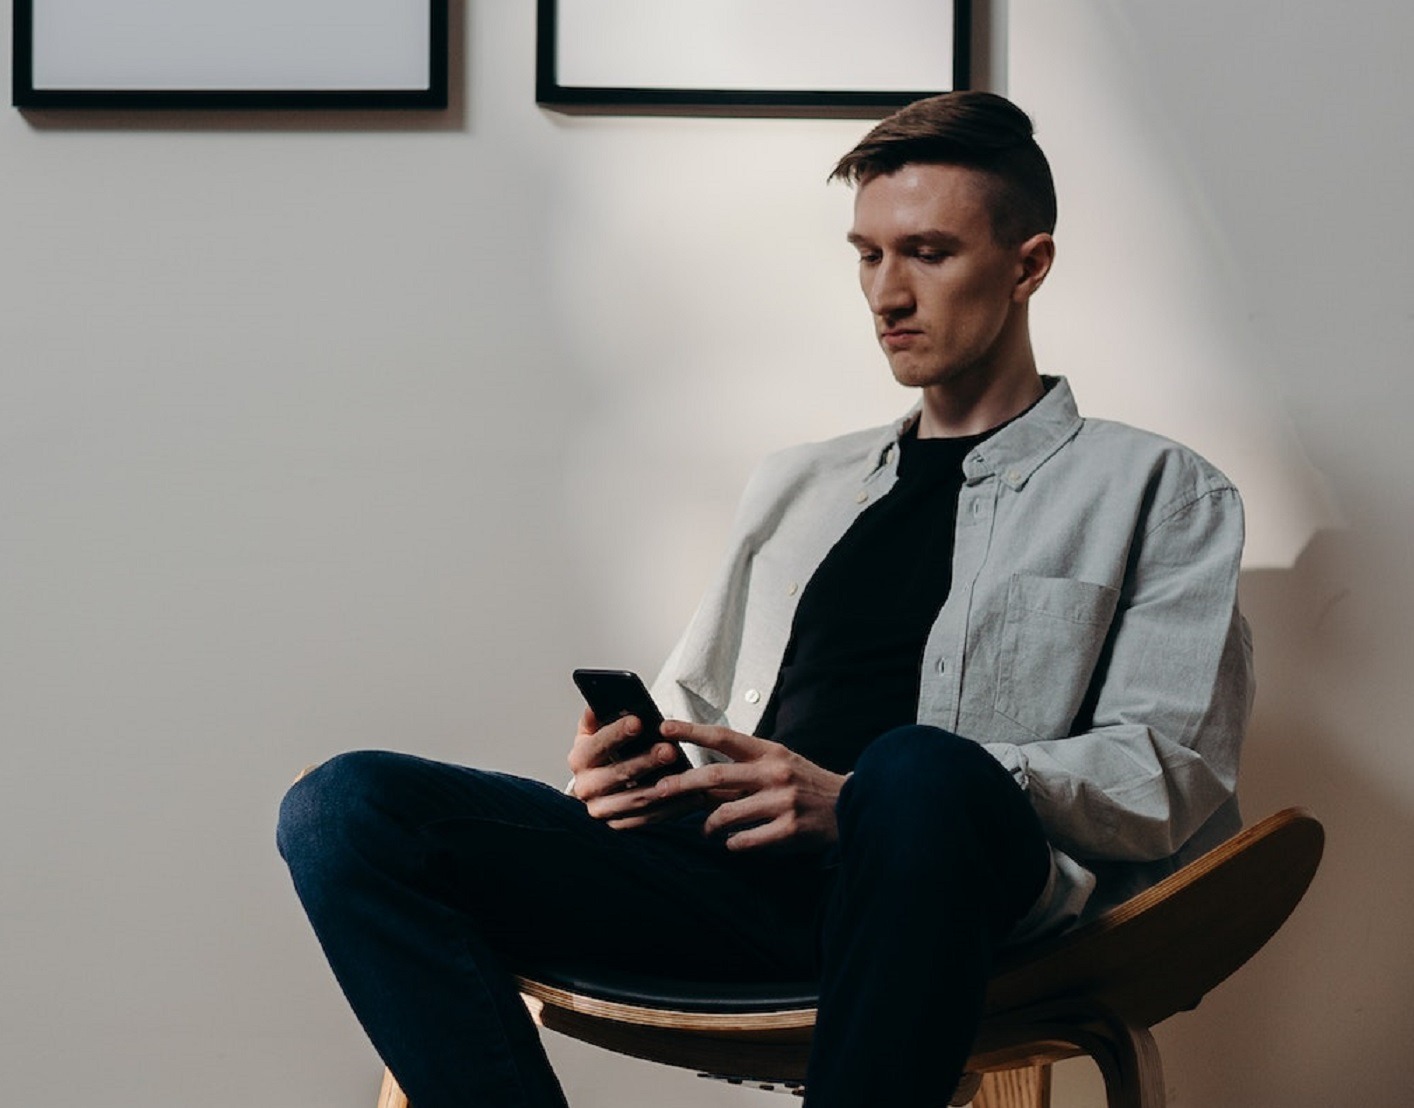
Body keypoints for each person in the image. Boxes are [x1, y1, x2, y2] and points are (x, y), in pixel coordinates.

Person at [277, 91, 1252, 1108]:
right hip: (729, 888)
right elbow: (702, 706)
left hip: (950, 897)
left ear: (1027, 265)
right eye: (866, 255)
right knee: (344, 809)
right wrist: (630, 772)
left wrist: (853, 800)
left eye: (926, 251)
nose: (886, 294)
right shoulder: (800, 483)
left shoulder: (1157, 489)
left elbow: (1166, 772)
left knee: (911, 770)